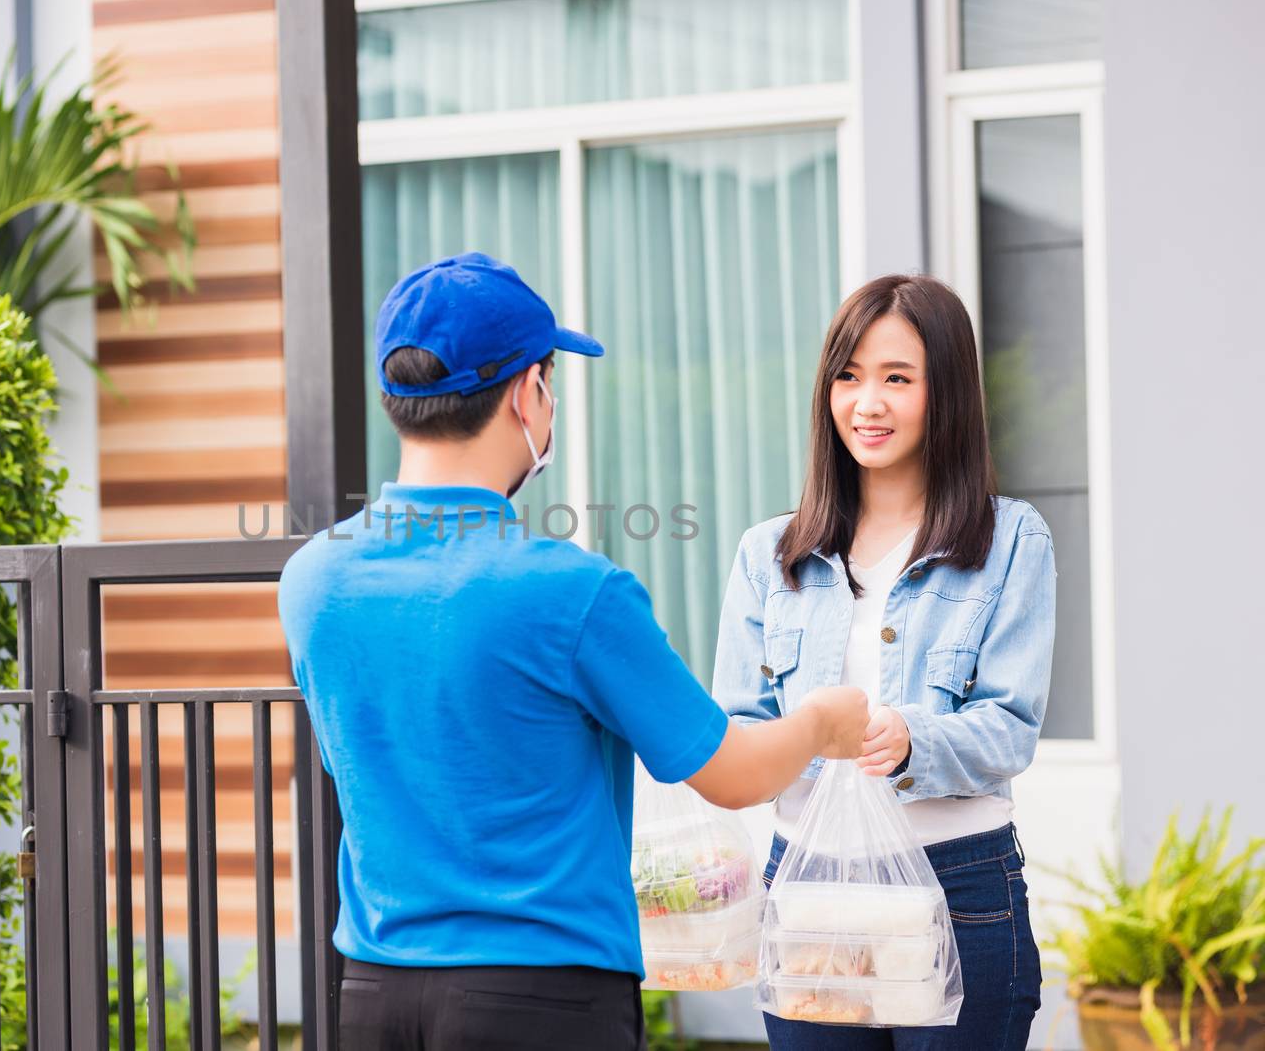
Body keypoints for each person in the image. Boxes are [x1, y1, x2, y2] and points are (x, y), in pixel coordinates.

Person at [278, 252, 869, 1051]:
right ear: (529, 393)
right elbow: (732, 772)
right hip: (541, 1002)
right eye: (549, 382)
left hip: (373, 995)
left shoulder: (312, 579)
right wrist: (824, 723)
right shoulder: (573, 590)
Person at [714, 274, 1053, 1049]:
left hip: (958, 886)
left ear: (948, 393)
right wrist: (800, 738)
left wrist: (910, 741)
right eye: (848, 376)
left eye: (897, 378)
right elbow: (739, 726)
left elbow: (1010, 728)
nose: (867, 404)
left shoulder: (1009, 541)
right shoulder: (769, 554)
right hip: (807, 887)